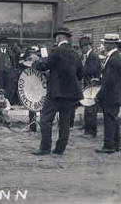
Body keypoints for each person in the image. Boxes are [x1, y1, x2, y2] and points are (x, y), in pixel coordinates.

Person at [32, 27, 83, 156]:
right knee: (65, 123)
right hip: (70, 94)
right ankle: (60, 149)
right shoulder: (76, 54)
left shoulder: (56, 51)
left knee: (45, 119)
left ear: (59, 38)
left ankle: (45, 148)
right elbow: (80, 74)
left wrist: (35, 61)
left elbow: (44, 66)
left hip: (56, 92)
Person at [95, 34, 121, 154]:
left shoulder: (114, 59)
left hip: (110, 95)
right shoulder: (115, 57)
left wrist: (99, 95)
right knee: (113, 120)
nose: (104, 45)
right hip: (114, 94)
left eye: (106, 43)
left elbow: (109, 81)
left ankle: (109, 146)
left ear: (112, 44)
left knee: (109, 121)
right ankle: (116, 144)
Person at [79, 37, 101, 138]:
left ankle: (92, 132)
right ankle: (87, 129)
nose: (81, 50)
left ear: (87, 46)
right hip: (88, 85)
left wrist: (82, 69)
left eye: (82, 47)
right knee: (87, 107)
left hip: (93, 86)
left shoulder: (93, 57)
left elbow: (92, 70)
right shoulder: (88, 56)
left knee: (91, 109)